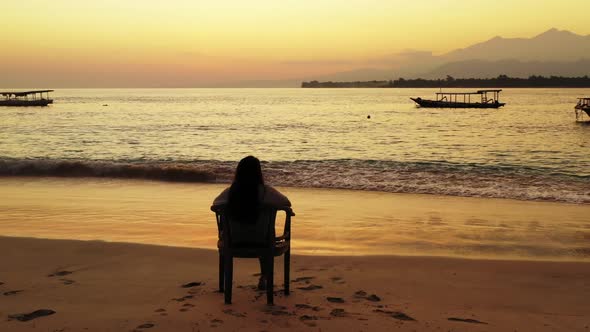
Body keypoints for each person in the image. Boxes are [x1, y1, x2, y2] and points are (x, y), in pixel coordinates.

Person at [212, 156, 291, 290]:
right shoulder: (266, 192)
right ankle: (265, 276)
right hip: (262, 241)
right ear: (258, 172)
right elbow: (286, 203)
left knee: (259, 232)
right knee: (265, 233)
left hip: (234, 240)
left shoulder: (230, 192)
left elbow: (215, 204)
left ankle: (224, 286)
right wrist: (266, 205)